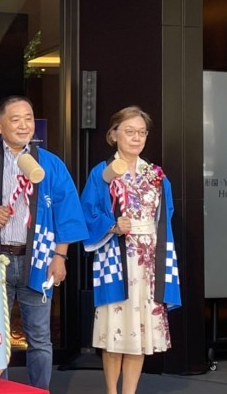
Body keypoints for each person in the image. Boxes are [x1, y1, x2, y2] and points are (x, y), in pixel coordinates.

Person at [0, 95, 88, 390]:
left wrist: (60, 257)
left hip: (38, 260)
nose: (23, 125)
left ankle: (39, 390)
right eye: (15, 119)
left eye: (29, 118)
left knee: (40, 338)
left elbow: (66, 210)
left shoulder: (51, 164)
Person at [80, 106, 180, 394]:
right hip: (118, 258)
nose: (136, 138)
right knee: (116, 329)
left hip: (149, 262)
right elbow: (88, 213)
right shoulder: (103, 173)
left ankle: (129, 392)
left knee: (140, 332)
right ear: (114, 135)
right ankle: (112, 391)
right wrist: (112, 226)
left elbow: (166, 214)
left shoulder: (156, 175)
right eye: (129, 131)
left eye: (141, 132)